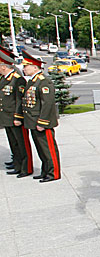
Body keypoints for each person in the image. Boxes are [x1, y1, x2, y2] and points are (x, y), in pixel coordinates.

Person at [19, 49, 60, 183]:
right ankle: (45, 170)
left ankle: (53, 172)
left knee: (48, 149)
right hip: (33, 121)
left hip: (41, 122)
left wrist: (42, 122)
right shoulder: (32, 81)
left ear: (34, 67)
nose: (24, 69)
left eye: (26, 66)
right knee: (41, 149)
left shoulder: (43, 82)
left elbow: (47, 104)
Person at [0, 46, 30, 176]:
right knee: (14, 143)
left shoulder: (18, 80)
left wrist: (18, 117)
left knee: (21, 144)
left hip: (15, 117)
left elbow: (19, 100)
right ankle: (17, 165)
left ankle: (25, 168)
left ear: (4, 67)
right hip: (6, 117)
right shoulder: (4, 79)